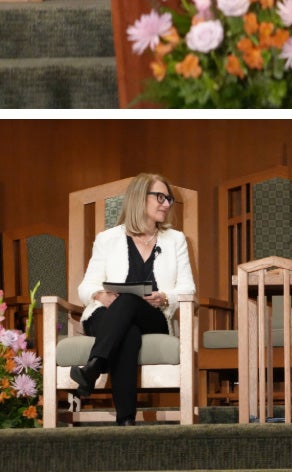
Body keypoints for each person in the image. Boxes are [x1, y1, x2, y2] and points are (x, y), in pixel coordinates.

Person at [70, 173, 195, 426]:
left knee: (127, 302)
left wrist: (165, 297)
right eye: (160, 197)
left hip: (152, 316)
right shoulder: (108, 239)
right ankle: (125, 421)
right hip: (106, 315)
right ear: (140, 198)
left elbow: (188, 289)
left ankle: (94, 367)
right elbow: (85, 287)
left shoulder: (175, 240)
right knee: (128, 333)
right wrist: (100, 295)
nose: (166, 204)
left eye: (169, 199)